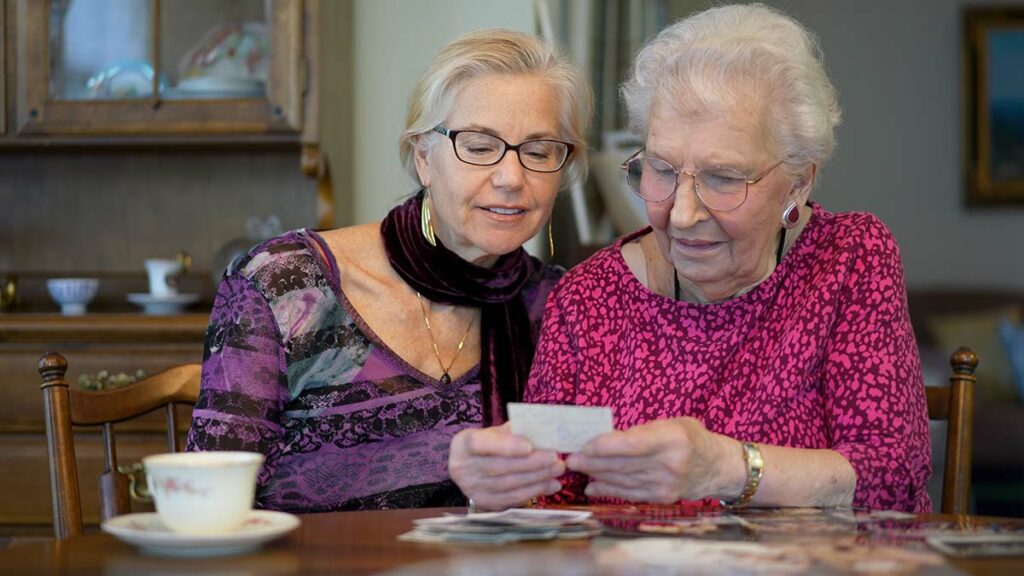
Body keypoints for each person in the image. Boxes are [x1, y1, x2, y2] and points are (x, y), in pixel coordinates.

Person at [449, 4, 931, 513]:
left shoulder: (848, 259)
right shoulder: (590, 298)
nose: (681, 215)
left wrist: (726, 468)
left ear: (799, 180)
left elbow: (891, 476)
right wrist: (498, 485)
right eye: (661, 169)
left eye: (722, 178)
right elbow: (551, 500)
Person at [186, 29, 592, 513]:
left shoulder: (558, 306)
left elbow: (579, 499)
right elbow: (206, 505)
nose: (511, 178)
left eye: (539, 151)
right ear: (424, 157)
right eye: (480, 146)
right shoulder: (283, 284)